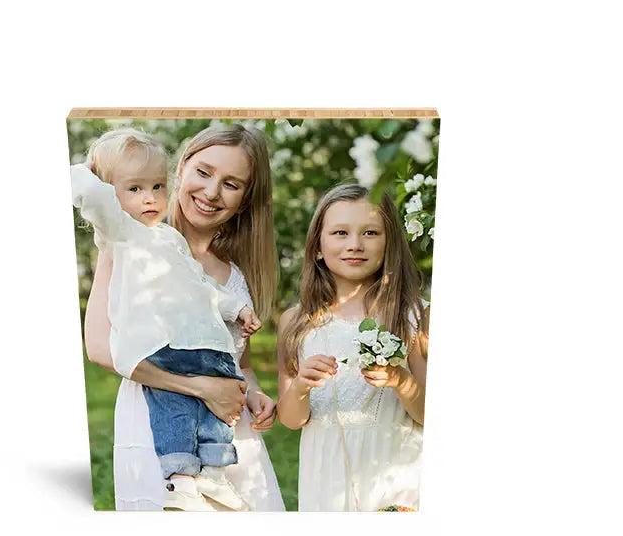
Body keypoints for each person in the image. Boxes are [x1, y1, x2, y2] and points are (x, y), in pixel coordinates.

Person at [83, 122, 285, 511]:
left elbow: (239, 362)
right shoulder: (130, 245)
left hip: (229, 434)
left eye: (231, 183)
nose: (211, 192)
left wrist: (255, 393)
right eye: (204, 172)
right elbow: (101, 349)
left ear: (244, 198)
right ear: (181, 169)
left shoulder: (235, 274)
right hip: (157, 426)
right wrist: (202, 388)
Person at [276, 184, 429, 511]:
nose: (355, 244)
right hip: (326, 473)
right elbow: (290, 419)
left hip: (395, 470)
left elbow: (428, 413)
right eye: (340, 232)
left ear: (389, 243)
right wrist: (301, 386)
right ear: (318, 246)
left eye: (371, 232)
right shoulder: (297, 322)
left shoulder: (414, 317)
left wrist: (402, 382)